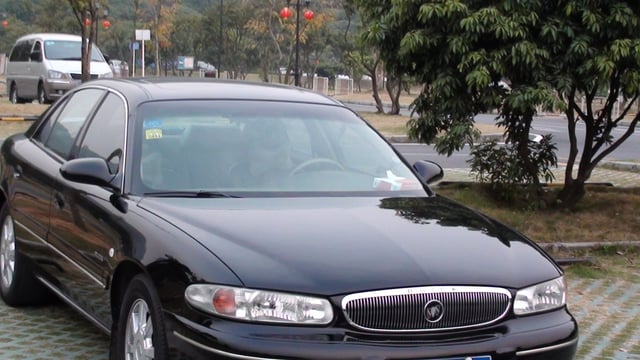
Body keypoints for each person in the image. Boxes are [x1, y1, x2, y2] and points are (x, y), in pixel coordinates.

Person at [231, 119, 293, 188]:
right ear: (250, 150)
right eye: (271, 148)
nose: (283, 152)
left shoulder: (299, 173)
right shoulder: (239, 174)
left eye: (283, 143)